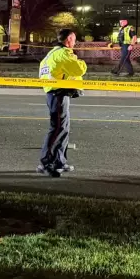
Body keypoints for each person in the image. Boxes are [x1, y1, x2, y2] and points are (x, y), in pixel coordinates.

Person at [37, 28, 87, 178]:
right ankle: (46, 163)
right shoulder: (64, 53)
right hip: (58, 93)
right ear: (69, 39)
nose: (75, 42)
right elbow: (78, 69)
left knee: (63, 128)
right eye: (74, 39)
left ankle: (59, 161)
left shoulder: (51, 53)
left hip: (54, 92)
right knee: (58, 128)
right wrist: (81, 62)